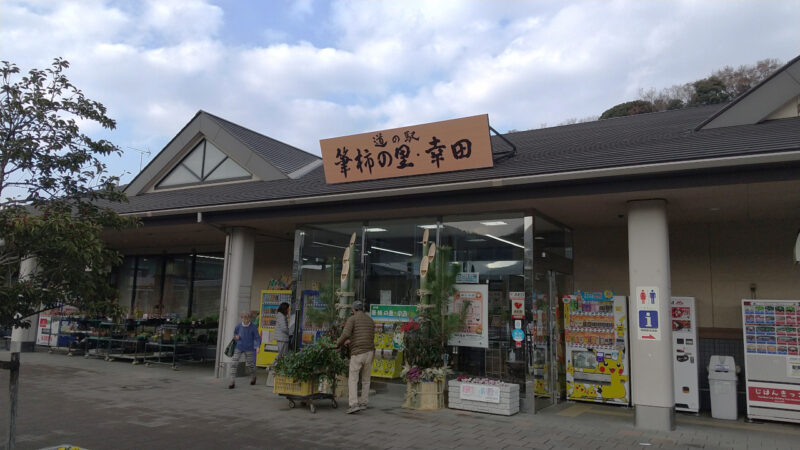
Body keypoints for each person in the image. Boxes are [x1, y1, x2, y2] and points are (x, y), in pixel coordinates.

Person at [336, 300, 375, 414]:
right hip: (369, 352)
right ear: (362, 309)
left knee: (353, 378)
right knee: (366, 379)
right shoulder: (370, 320)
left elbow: (346, 334)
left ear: (353, 310)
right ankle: (364, 402)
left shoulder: (352, 319)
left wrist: (338, 343)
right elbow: (367, 335)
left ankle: (353, 404)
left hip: (358, 352)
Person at [229, 312, 260, 389]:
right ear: (241, 318)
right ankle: (232, 381)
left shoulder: (253, 327)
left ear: (250, 319)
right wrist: (236, 336)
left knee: (250, 364)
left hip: (249, 348)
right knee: (234, 363)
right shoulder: (238, 326)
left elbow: (257, 337)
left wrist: (258, 346)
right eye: (244, 318)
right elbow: (235, 333)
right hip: (238, 346)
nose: (246, 320)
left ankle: (253, 376)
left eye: (247, 318)